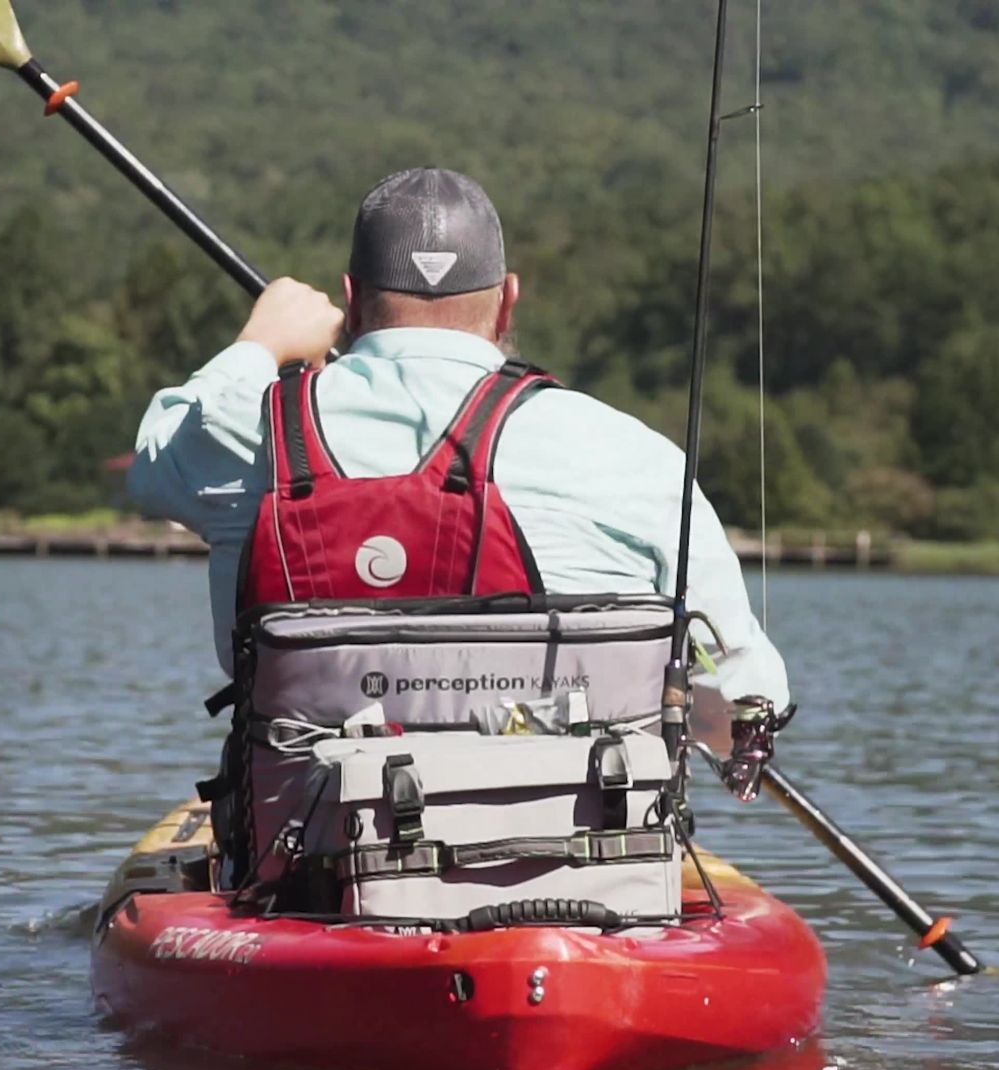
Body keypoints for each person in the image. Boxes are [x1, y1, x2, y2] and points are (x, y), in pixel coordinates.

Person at [128, 168, 787, 743]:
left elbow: (153, 461)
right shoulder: (635, 457)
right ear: (508, 302)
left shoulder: (252, 433)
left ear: (351, 302)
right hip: (582, 841)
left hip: (315, 836)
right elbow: (747, 701)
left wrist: (259, 343)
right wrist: (714, 731)